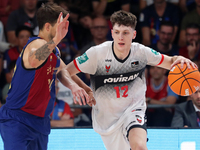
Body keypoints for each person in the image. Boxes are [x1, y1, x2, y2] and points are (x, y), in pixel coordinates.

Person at [59, 10, 197, 150]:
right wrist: (77, 87)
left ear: (134, 34)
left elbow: (170, 61)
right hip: (107, 120)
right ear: (112, 33)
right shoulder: (96, 54)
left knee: (139, 147)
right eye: (117, 32)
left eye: (126, 32)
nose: (121, 37)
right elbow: (63, 71)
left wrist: (178, 59)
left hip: (133, 110)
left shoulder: (141, 52)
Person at [0, 2, 93, 150]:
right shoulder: (34, 45)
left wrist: (83, 88)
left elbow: (63, 71)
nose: (64, 31)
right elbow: (34, 59)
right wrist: (56, 39)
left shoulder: (54, 51)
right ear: (48, 27)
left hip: (40, 121)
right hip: (18, 119)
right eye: (61, 27)